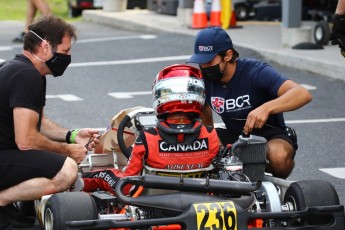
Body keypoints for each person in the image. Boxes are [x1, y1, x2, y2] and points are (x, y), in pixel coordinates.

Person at [0, 15, 100, 229]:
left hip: (5, 153)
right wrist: (67, 151)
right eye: (65, 51)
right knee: (66, 170)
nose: (68, 57)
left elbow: (39, 122)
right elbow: (26, 140)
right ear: (45, 47)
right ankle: (2, 202)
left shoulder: (28, 71)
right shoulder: (26, 75)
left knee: (50, 158)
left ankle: (16, 209)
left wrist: (72, 136)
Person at [186, 27, 312, 179]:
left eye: (210, 61)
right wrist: (211, 137)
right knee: (197, 145)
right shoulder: (203, 80)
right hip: (235, 135)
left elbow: (302, 94)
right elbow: (204, 110)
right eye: (201, 62)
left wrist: (266, 108)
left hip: (269, 135)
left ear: (228, 55)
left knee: (279, 157)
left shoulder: (256, 72)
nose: (205, 67)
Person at [82, 64, 220, 195]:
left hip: (151, 204)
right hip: (199, 199)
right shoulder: (211, 136)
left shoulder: (148, 138)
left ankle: (76, 181)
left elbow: (128, 186)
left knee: (105, 175)